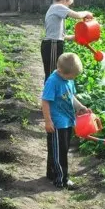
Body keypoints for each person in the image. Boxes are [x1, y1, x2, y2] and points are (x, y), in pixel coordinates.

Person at [41, 52, 90, 189]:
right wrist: (48, 121)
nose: (73, 78)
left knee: (60, 149)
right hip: (57, 122)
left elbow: (71, 97)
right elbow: (45, 102)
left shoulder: (68, 79)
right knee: (60, 152)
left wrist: (80, 107)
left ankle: (52, 173)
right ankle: (61, 180)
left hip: (68, 119)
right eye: (72, 76)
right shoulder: (53, 82)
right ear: (61, 71)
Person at [42, 0, 93, 81]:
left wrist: (74, 37)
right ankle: (48, 94)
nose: (68, 8)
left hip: (53, 44)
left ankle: (54, 93)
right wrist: (86, 13)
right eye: (68, 5)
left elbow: (61, 36)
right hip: (52, 45)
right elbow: (77, 15)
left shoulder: (54, 10)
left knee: (55, 73)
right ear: (65, 0)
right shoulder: (57, 7)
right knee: (52, 74)